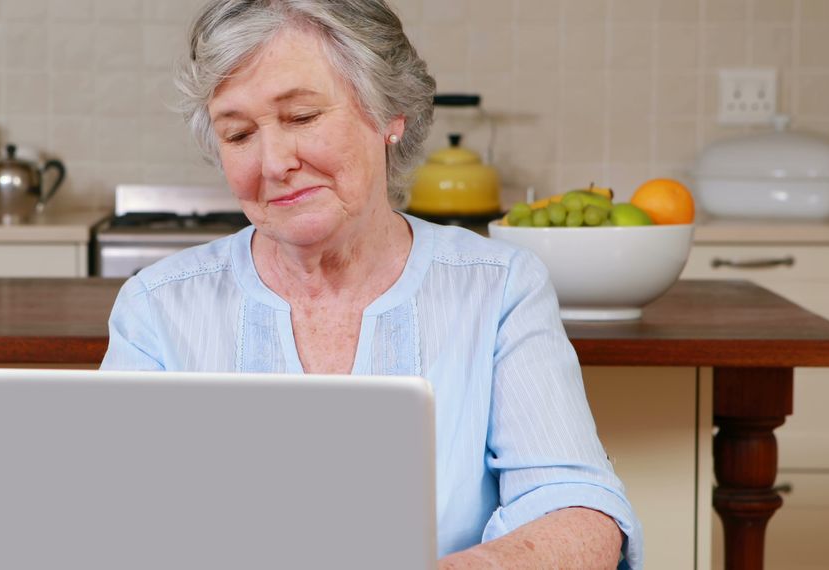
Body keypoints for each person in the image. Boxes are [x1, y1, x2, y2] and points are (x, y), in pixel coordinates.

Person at [101, 0, 642, 567]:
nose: (273, 161)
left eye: (303, 117)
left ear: (390, 113)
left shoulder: (500, 288)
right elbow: (110, 524)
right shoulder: (156, 309)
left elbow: (578, 513)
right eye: (238, 134)